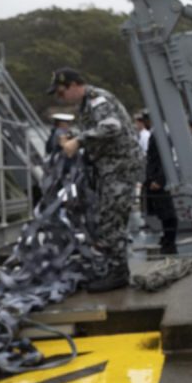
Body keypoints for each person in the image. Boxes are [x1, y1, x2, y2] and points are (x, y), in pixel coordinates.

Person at [47, 66, 144, 292]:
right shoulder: (85, 106)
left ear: (73, 86)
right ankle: (113, 267)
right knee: (106, 215)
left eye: (61, 93)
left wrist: (78, 141)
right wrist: (71, 137)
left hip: (120, 167)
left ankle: (118, 273)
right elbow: (94, 129)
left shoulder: (96, 100)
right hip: (109, 168)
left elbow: (112, 127)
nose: (61, 98)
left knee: (111, 217)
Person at [142, 112, 178, 255]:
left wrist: (159, 180)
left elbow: (165, 159)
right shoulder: (158, 133)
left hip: (159, 180)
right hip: (154, 178)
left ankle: (170, 243)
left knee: (167, 212)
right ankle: (166, 238)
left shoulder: (161, 135)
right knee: (162, 212)